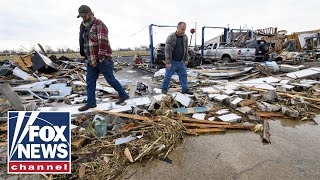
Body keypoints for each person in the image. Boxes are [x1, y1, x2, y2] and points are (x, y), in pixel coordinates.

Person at [77, 5, 129, 111]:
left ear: (90, 13)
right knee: (90, 81)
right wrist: (85, 55)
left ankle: (123, 95)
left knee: (110, 79)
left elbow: (103, 42)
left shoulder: (99, 24)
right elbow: (84, 41)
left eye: (84, 16)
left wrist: (100, 57)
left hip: (103, 59)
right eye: (81, 16)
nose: (83, 18)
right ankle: (91, 103)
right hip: (90, 59)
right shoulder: (83, 25)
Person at [162, 22, 193, 95]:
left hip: (181, 61)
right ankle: (164, 89)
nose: (183, 31)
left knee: (183, 75)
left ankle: (185, 89)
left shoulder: (185, 37)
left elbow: (185, 49)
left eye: (184, 29)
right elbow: (167, 50)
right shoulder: (171, 37)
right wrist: (168, 62)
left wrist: (186, 59)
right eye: (182, 29)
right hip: (172, 61)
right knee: (168, 76)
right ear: (178, 28)